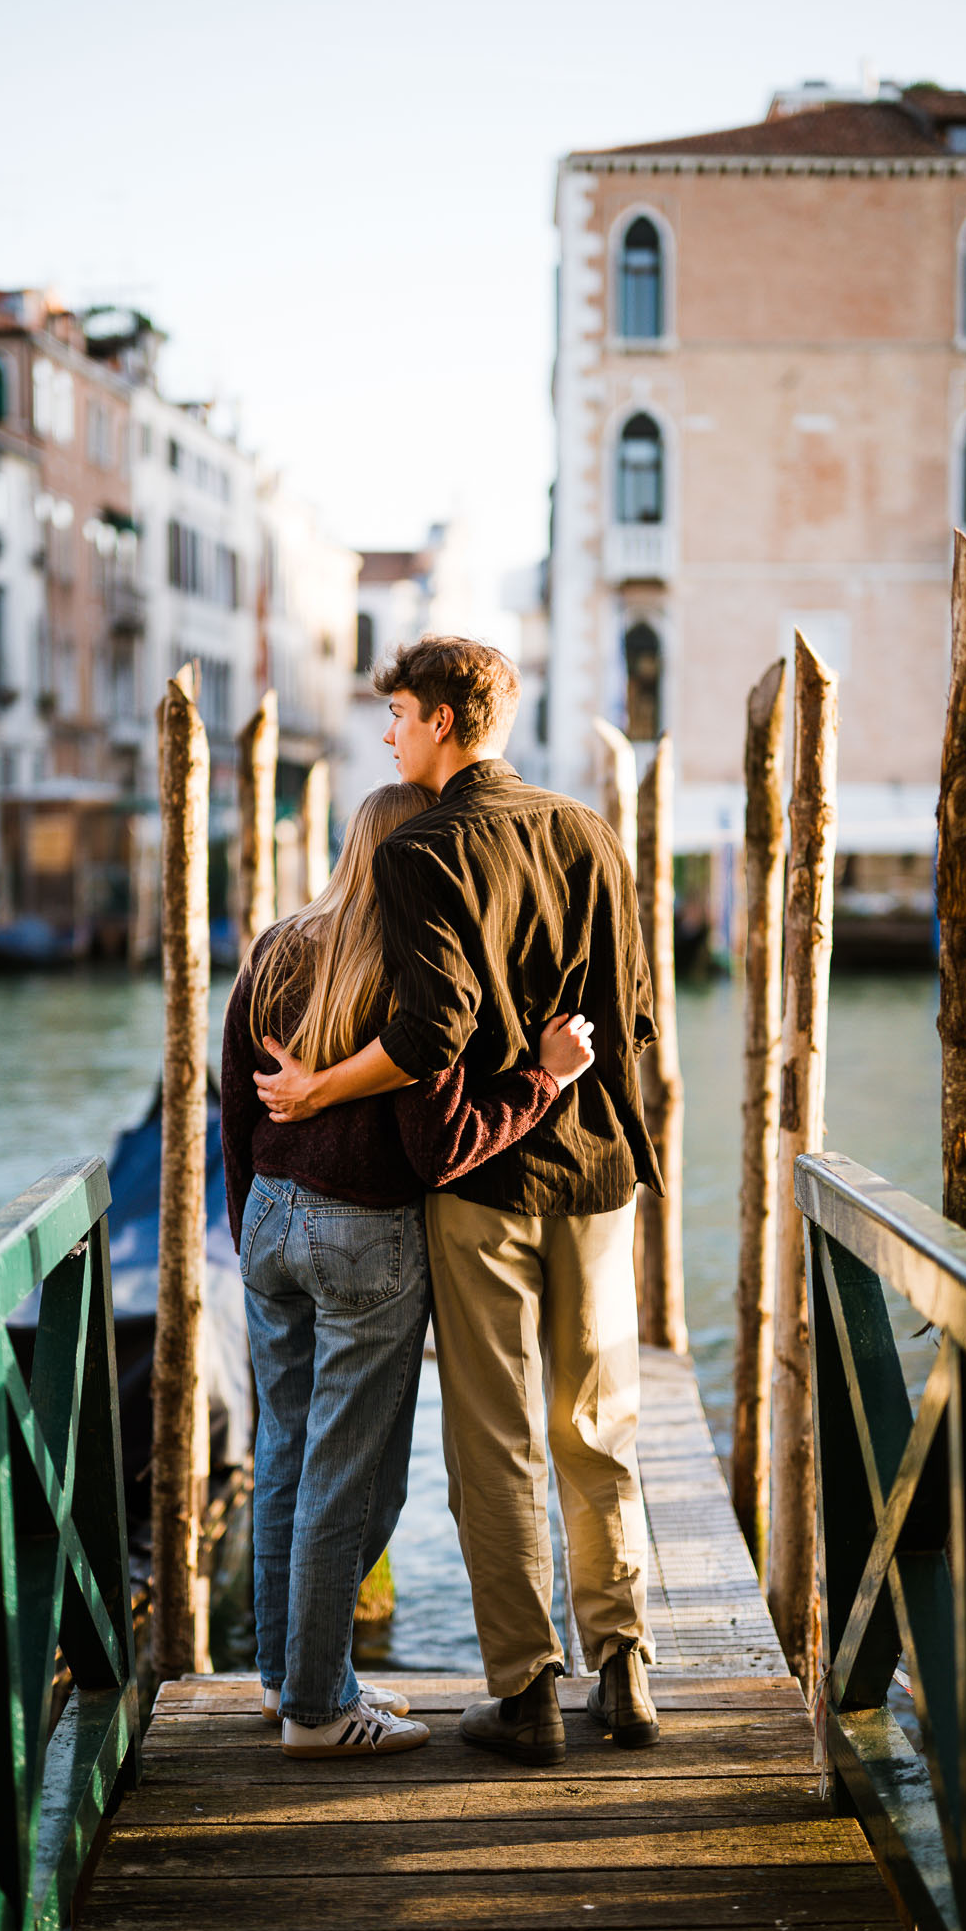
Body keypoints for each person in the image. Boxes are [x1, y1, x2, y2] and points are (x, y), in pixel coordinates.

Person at [255, 635, 663, 1767]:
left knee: (495, 1438)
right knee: (599, 1424)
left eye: (394, 715)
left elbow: (425, 1037)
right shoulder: (588, 832)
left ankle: (527, 1688)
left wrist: (315, 1090)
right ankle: (624, 1665)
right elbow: (630, 1015)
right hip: (593, 1168)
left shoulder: (417, 850)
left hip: (477, 1177)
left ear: (441, 718)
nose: (386, 734)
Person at [221, 779, 595, 1759]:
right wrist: (545, 1077)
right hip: (364, 1238)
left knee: (286, 1458)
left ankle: (288, 1679)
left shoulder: (274, 947)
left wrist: (248, 1224)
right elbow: (445, 1145)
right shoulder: (409, 972)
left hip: (268, 1220)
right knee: (354, 1482)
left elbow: (232, 1108)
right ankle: (316, 1707)